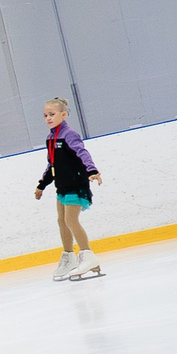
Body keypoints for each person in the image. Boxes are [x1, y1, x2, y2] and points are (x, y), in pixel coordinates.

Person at [35, 97, 106, 280]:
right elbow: (52, 165)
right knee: (62, 221)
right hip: (62, 186)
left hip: (76, 184)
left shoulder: (69, 135)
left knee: (71, 220)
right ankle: (69, 257)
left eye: (52, 114)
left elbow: (82, 152)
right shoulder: (51, 138)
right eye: (45, 115)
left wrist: (92, 170)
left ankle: (87, 254)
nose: (48, 118)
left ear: (63, 114)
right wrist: (41, 185)